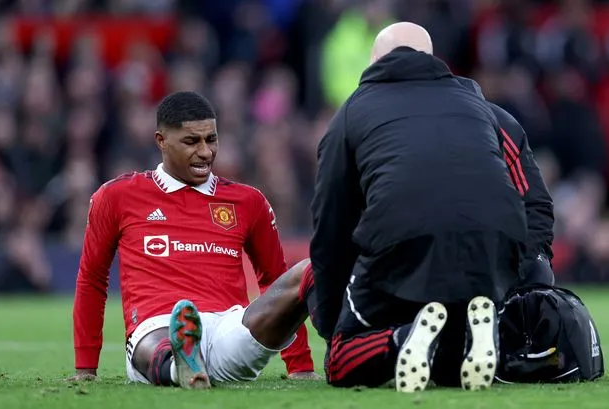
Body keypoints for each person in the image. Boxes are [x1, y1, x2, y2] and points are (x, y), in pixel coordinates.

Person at [307, 22, 528, 393]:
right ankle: (469, 336)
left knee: (341, 359)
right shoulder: (476, 103)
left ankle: (401, 339)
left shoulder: (352, 112)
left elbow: (330, 225)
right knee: (448, 348)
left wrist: (334, 323)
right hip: (497, 241)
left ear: (374, 62)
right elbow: (523, 189)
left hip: (402, 236)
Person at [66, 91, 318, 388]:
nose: (205, 152)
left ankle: (349, 346)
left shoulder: (249, 202)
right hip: (156, 326)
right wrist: (86, 367)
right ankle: (181, 367)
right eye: (191, 141)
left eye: (211, 139)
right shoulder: (116, 197)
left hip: (229, 329)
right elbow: (92, 279)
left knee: (310, 269)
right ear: (161, 141)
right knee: (154, 343)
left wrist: (300, 365)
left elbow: (274, 279)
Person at [455, 76, 555, 287]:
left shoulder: (498, 124)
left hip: (500, 249)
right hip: (446, 252)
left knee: (538, 275)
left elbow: (536, 206)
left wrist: (515, 265)